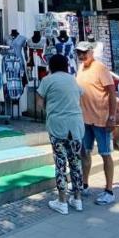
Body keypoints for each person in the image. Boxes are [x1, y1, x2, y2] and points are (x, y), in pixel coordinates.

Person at [37, 54, 85, 215]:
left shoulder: (47, 80)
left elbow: (39, 103)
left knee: (60, 162)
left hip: (57, 126)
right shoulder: (73, 79)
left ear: (51, 65)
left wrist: (51, 107)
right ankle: (78, 199)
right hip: (76, 126)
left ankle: (62, 200)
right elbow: (80, 96)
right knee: (76, 162)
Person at [75, 40, 119, 204]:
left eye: (84, 52)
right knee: (84, 152)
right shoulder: (80, 68)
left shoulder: (100, 67)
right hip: (84, 119)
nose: (81, 56)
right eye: (79, 52)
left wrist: (112, 117)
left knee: (105, 154)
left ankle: (109, 190)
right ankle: (84, 184)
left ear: (91, 52)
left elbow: (112, 93)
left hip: (101, 119)